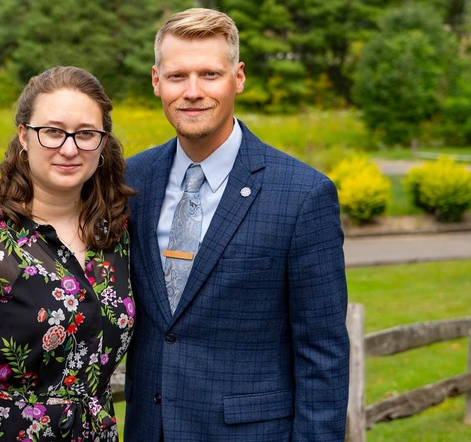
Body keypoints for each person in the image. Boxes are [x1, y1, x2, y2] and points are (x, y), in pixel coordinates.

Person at [123, 8, 350, 441]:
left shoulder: (304, 195)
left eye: (210, 74)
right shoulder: (130, 180)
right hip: (148, 429)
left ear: (238, 77)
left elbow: (323, 353)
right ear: (156, 81)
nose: (192, 92)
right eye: (177, 76)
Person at [0, 66, 136, 442]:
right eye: (52, 131)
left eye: (86, 134)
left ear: (102, 142)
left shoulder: (114, 237)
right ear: (24, 135)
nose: (69, 148)